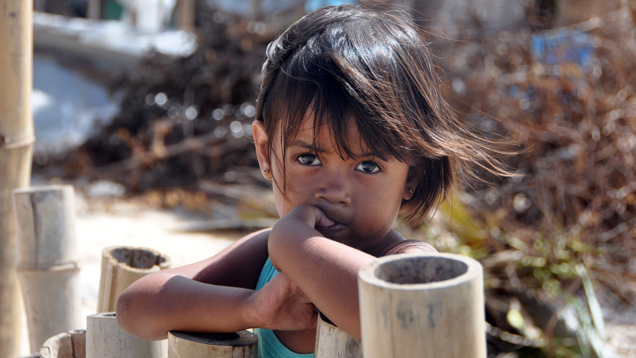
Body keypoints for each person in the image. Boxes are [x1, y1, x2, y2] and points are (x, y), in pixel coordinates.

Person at [116, 4, 509, 357]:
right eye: (308, 158)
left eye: (368, 166)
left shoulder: (409, 265)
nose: (334, 191)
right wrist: (250, 307)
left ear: (413, 174)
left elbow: (390, 310)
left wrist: (294, 244)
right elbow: (137, 308)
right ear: (266, 151)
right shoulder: (266, 264)